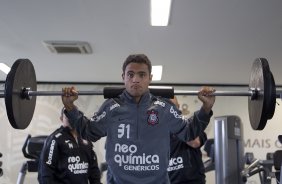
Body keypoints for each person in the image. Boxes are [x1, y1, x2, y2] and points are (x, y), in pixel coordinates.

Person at [61, 54, 216, 184]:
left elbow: (189, 132)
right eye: (130, 74)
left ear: (150, 78)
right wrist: (70, 108)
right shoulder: (110, 107)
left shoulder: (164, 107)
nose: (135, 79)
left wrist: (206, 108)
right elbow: (89, 132)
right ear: (123, 77)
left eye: (142, 75)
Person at [38, 107, 101, 184]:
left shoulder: (86, 138)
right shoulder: (55, 139)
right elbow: (45, 173)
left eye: (73, 115)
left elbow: (93, 171)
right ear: (61, 119)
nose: (71, 118)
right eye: (67, 116)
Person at [168, 96, 207, 184]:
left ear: (178, 106)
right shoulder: (158, 130)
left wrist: (176, 123)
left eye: (172, 107)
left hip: (193, 180)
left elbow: (195, 143)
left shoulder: (191, 125)